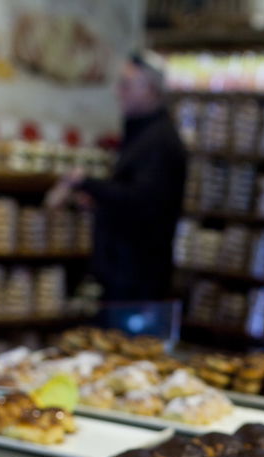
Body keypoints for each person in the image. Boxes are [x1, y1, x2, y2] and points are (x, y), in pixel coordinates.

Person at [47, 51, 187, 306]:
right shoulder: (142, 134)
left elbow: (142, 200)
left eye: (125, 84)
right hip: (122, 272)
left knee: (128, 344)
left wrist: (85, 182)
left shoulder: (159, 141)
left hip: (137, 278)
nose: (116, 91)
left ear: (149, 89)